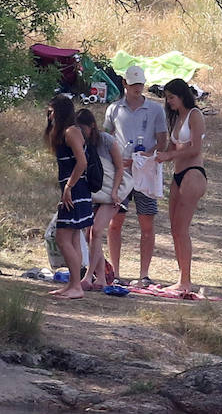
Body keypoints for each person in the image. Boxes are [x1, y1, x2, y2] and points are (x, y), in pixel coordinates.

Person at [103, 65, 168, 287]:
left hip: (145, 173)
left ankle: (144, 274)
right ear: (124, 84)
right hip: (121, 173)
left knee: (146, 222)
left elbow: (162, 141)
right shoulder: (113, 109)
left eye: (140, 84)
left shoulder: (155, 110)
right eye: (133, 84)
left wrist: (145, 157)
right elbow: (106, 136)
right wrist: (115, 160)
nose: (137, 89)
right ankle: (116, 272)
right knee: (115, 222)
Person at [154, 79, 207, 298]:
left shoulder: (195, 115)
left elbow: (195, 148)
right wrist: (153, 154)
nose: (169, 101)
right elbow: (171, 147)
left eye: (171, 97)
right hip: (177, 175)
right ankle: (181, 278)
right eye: (167, 98)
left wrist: (170, 155)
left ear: (182, 95)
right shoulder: (177, 118)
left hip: (193, 174)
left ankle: (186, 280)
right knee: (175, 228)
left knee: (182, 227)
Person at [45, 95, 92, 300]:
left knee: (63, 238)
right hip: (73, 190)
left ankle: (76, 285)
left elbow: (81, 162)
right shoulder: (64, 133)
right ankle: (74, 284)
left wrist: (68, 187)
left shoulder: (71, 131)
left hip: (75, 191)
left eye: (52, 111)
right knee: (72, 238)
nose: (49, 115)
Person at [76, 109, 125, 290]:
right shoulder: (80, 142)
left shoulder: (106, 140)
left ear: (92, 126)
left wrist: (114, 192)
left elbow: (120, 168)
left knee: (96, 231)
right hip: (95, 192)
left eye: (83, 129)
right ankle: (102, 278)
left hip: (115, 192)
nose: (81, 133)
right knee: (90, 235)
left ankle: (89, 276)